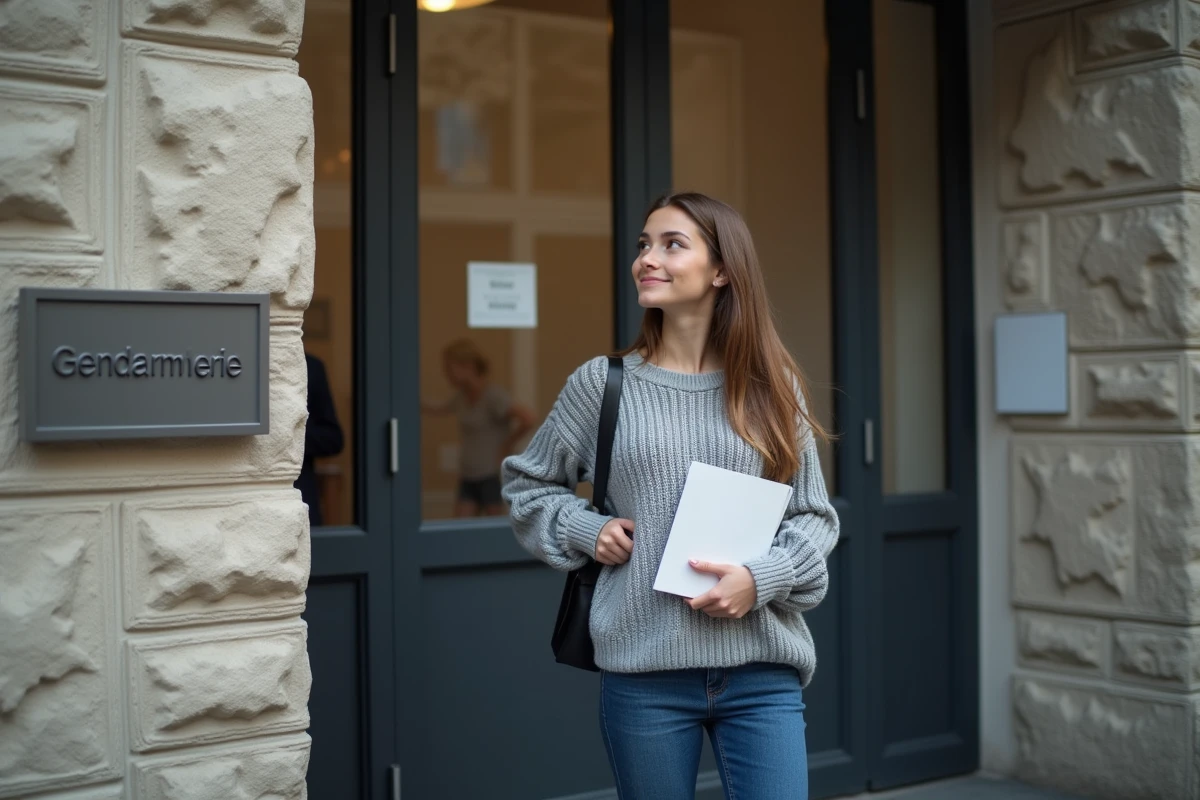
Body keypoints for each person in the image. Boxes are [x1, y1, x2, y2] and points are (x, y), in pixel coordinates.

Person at [501, 192, 839, 799]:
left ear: (722, 270)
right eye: (643, 245)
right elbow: (529, 485)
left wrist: (760, 578)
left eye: (671, 244)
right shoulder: (602, 384)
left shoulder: (773, 388)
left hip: (762, 669)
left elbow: (813, 516)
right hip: (646, 676)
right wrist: (586, 529)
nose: (647, 259)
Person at [424, 339, 535, 517]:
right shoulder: (461, 397)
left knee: (491, 532)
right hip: (468, 476)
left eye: (449, 368)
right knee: (461, 530)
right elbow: (438, 407)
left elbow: (528, 419)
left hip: (491, 476)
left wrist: (506, 446)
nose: (446, 374)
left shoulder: (493, 396)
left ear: (467, 366)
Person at [295, 352, 344, 527]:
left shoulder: (311, 367)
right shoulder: (245, 362)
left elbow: (333, 439)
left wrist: (290, 432)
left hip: (301, 496)